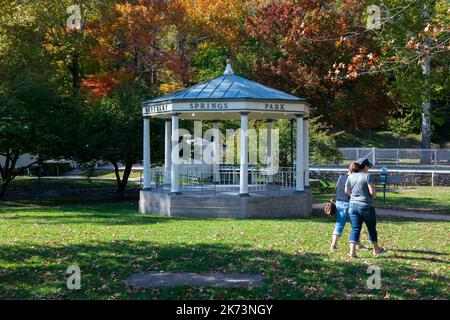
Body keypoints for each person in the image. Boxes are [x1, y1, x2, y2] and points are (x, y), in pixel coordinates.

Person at [345, 158, 387, 258]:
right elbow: (372, 193)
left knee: (355, 229)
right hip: (366, 206)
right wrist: (372, 197)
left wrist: (354, 197)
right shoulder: (368, 176)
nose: (369, 168)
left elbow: (346, 190)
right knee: (371, 228)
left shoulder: (351, 176)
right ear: (365, 166)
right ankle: (377, 249)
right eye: (368, 166)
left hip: (352, 206)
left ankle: (352, 253)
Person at [330, 165, 351, 250]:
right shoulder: (352, 178)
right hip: (348, 203)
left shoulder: (341, 177)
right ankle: (357, 244)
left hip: (338, 202)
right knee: (356, 225)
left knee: (339, 223)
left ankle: (333, 244)